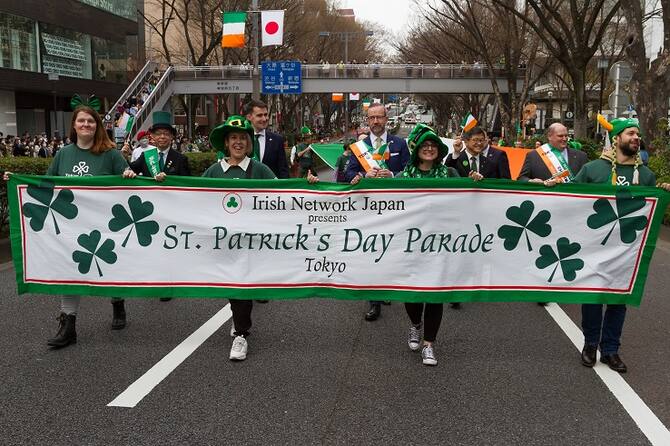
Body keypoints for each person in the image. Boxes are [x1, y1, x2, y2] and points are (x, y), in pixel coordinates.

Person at [4, 103, 130, 348]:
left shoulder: (111, 153)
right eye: (81, 121)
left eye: (91, 121)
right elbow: (47, 184)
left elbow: (128, 181)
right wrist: (16, 180)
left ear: (97, 126)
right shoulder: (63, 154)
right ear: (74, 125)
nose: (86, 125)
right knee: (69, 270)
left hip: (104, 224)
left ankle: (117, 302)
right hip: (70, 225)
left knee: (110, 266)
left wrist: (128, 174)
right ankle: (68, 324)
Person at [573, 118, 670, 373]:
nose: (636, 138)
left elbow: (649, 212)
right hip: (595, 247)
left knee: (618, 301)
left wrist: (662, 192)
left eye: (638, 134)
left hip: (627, 250)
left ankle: (611, 350)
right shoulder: (594, 170)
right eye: (630, 133)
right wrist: (548, 187)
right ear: (616, 138)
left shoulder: (646, 175)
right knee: (592, 297)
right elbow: (569, 200)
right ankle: (590, 344)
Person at [398, 123, 481, 366]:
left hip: (441, 245)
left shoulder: (451, 175)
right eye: (424, 145)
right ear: (416, 150)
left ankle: (429, 344)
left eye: (433, 145)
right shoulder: (404, 177)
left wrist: (475, 182)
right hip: (410, 246)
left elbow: (468, 199)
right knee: (412, 296)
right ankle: (415, 325)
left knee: (435, 295)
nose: (429, 149)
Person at [203, 115, 276, 361]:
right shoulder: (213, 171)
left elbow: (285, 193)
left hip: (252, 244)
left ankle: (241, 335)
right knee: (231, 285)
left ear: (249, 143)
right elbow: (190, 199)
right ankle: (239, 322)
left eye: (243, 138)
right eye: (233, 138)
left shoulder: (260, 170)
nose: (238, 142)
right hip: (221, 243)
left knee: (241, 284)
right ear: (226, 143)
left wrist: (308, 184)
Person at [344, 102, 410, 321]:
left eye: (379, 117)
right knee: (371, 251)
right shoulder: (359, 147)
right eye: (371, 118)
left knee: (390, 250)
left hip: (394, 208)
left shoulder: (400, 143)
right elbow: (348, 173)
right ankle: (374, 300)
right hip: (368, 209)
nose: (375, 122)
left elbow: (410, 171)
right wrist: (364, 177)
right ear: (367, 120)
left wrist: (392, 176)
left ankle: (387, 288)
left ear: (386, 118)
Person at [518, 123, 588, 306]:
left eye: (566, 135)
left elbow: (588, 184)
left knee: (567, 245)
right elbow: (521, 178)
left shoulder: (580, 156)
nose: (565, 139)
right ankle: (543, 288)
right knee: (544, 248)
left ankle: (565, 282)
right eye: (560, 136)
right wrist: (531, 181)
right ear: (549, 136)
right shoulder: (534, 156)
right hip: (545, 211)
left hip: (572, 211)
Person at [445, 126, 511, 308]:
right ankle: (457, 291)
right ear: (465, 141)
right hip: (461, 213)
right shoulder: (457, 158)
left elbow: (506, 182)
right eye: (475, 140)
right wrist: (455, 154)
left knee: (482, 250)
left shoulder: (495, 158)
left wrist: (486, 183)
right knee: (459, 250)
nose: (479, 144)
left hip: (486, 213)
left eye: (482, 140)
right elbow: (445, 176)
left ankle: (484, 284)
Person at [128, 111, 190, 178]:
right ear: (152, 136)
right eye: (158, 134)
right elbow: (130, 170)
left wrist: (168, 179)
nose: (162, 136)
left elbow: (186, 183)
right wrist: (124, 157)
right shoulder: (145, 156)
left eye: (166, 133)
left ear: (172, 136)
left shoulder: (180, 159)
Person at [244, 100, 289, 179]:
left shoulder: (277, 140)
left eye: (265, 115)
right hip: (247, 189)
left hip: (270, 189)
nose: (264, 119)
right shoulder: (242, 139)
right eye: (259, 115)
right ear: (249, 117)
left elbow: (283, 170)